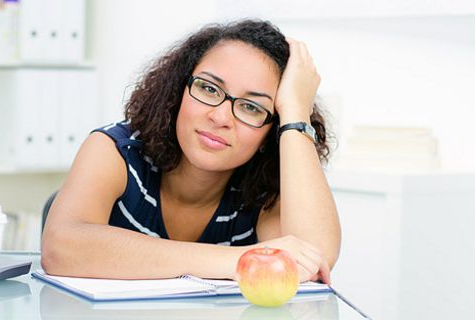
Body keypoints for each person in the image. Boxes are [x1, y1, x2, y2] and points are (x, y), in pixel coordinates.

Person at [41, 20, 341, 284]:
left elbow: (314, 260)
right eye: (209, 89)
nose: (221, 118)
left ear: (271, 131)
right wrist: (240, 259)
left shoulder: (264, 189)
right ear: (178, 89)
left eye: (251, 107)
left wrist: (296, 114)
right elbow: (61, 247)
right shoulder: (116, 150)